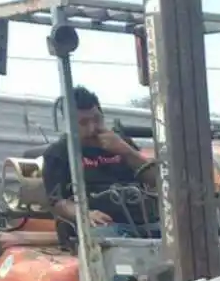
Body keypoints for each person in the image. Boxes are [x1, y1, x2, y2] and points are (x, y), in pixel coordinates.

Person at [41, 86, 161, 237]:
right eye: (83, 123)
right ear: (70, 125)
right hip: (101, 226)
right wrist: (85, 214)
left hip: (144, 222)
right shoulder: (59, 153)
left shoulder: (121, 143)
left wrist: (127, 152)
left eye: (97, 120)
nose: (92, 129)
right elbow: (57, 203)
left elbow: (157, 180)